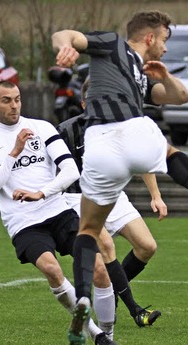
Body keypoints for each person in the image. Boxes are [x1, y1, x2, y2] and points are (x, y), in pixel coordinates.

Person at [51, 10, 188, 345]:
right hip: (131, 130)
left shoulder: (143, 75)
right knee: (170, 152)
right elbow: (66, 33)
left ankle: (84, 298)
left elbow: (179, 96)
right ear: (149, 37)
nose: (164, 48)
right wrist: (66, 47)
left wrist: (165, 77)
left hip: (100, 146)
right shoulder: (114, 44)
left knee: (88, 231)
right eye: (164, 40)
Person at [0, 81, 129, 345]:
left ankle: (109, 340)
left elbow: (70, 170)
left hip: (58, 211)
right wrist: (13, 153)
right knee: (52, 269)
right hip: (23, 222)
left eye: (17, 99)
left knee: (99, 269)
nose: (14, 105)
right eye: (6, 100)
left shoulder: (42, 127)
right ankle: (98, 336)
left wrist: (41, 192)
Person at [58, 78, 162, 328]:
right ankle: (135, 310)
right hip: (77, 198)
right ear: (84, 104)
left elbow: (144, 160)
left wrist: (156, 196)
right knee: (105, 245)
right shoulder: (65, 131)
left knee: (147, 246)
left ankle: (112, 290)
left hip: (113, 195)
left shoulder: (121, 128)